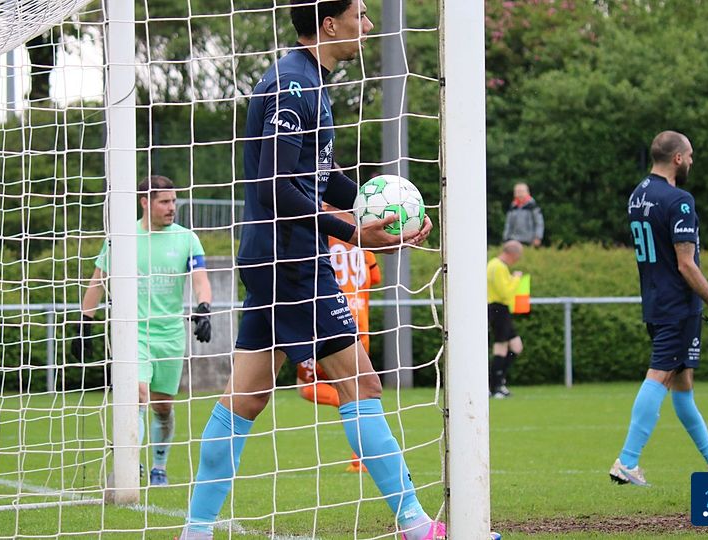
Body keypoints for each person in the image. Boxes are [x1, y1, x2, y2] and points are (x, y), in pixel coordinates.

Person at [178, 1, 467, 539]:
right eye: (361, 15)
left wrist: (384, 209)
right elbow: (277, 186)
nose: (369, 26)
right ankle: (417, 527)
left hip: (275, 255)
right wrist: (355, 234)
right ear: (329, 24)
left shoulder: (307, 79)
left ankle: (195, 532)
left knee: (245, 398)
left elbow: (320, 175)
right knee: (363, 385)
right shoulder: (293, 85)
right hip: (292, 259)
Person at [610, 130, 708, 487]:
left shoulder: (638, 195)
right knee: (660, 374)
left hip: (656, 299)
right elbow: (686, 263)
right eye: (689, 155)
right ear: (677, 158)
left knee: (682, 382)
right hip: (677, 305)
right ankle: (627, 461)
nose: (691, 161)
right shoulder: (679, 200)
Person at [72, 175, 213, 487]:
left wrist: (204, 307)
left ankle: (158, 467)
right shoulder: (122, 238)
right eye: (165, 201)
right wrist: (84, 322)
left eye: (174, 201)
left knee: (162, 407)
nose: (172, 207)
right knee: (137, 394)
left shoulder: (187, 239)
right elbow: (98, 280)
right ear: (145, 202)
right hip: (133, 334)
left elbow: (200, 279)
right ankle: (130, 462)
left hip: (171, 335)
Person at [295, 208, 380, 473]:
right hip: (359, 325)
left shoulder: (320, 233)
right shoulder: (363, 236)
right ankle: (361, 457)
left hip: (326, 320)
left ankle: (345, 406)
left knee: (306, 387)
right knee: (359, 389)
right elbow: (375, 278)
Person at [487, 240, 524, 398]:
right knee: (501, 347)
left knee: (516, 346)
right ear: (512, 254)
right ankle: (494, 386)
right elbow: (505, 293)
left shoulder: (494, 265)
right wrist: (516, 279)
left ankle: (498, 381)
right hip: (498, 309)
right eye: (517, 258)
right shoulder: (498, 267)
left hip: (502, 310)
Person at [502, 182, 544, 247]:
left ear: (527, 192)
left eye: (521, 191)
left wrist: (538, 237)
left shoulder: (533, 207)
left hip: (530, 240)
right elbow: (508, 224)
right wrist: (506, 238)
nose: (519, 194)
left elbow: (539, 223)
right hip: (514, 240)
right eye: (517, 192)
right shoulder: (513, 207)